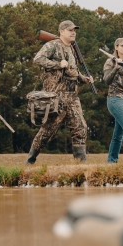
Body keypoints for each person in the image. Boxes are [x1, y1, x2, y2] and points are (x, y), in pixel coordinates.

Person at [26, 20, 94, 165]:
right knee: (47, 132)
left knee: (80, 128)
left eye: (74, 30)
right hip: (57, 97)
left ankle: (80, 166)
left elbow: (72, 71)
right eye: (70, 30)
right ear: (61, 32)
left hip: (72, 96)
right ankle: (29, 161)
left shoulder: (72, 48)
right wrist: (57, 64)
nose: (73, 32)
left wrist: (84, 78)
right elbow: (38, 59)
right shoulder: (53, 45)